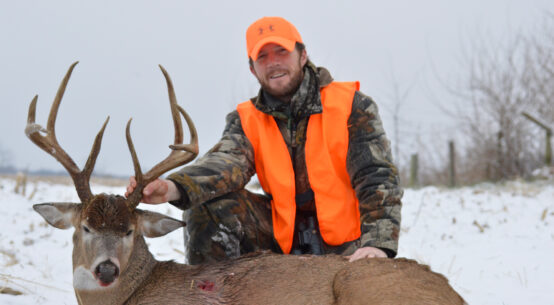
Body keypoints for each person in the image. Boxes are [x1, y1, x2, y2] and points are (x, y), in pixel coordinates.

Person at [126, 16, 403, 265]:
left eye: (281, 51)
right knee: (208, 205)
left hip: (347, 245)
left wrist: (377, 244)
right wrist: (174, 186)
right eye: (263, 57)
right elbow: (225, 164)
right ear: (252, 69)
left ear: (303, 55)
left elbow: (376, 176)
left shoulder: (351, 106)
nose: (273, 63)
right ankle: (212, 291)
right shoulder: (247, 118)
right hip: (281, 240)